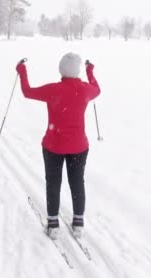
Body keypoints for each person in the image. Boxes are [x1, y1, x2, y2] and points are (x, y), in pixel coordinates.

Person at [16, 52, 101, 239]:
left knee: (53, 183)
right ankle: (78, 223)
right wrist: (90, 71)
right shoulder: (86, 89)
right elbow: (97, 89)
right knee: (77, 182)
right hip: (79, 146)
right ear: (77, 71)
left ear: (61, 70)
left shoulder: (54, 89)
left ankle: (53, 225)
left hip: (54, 146)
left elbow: (27, 92)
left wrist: (22, 70)